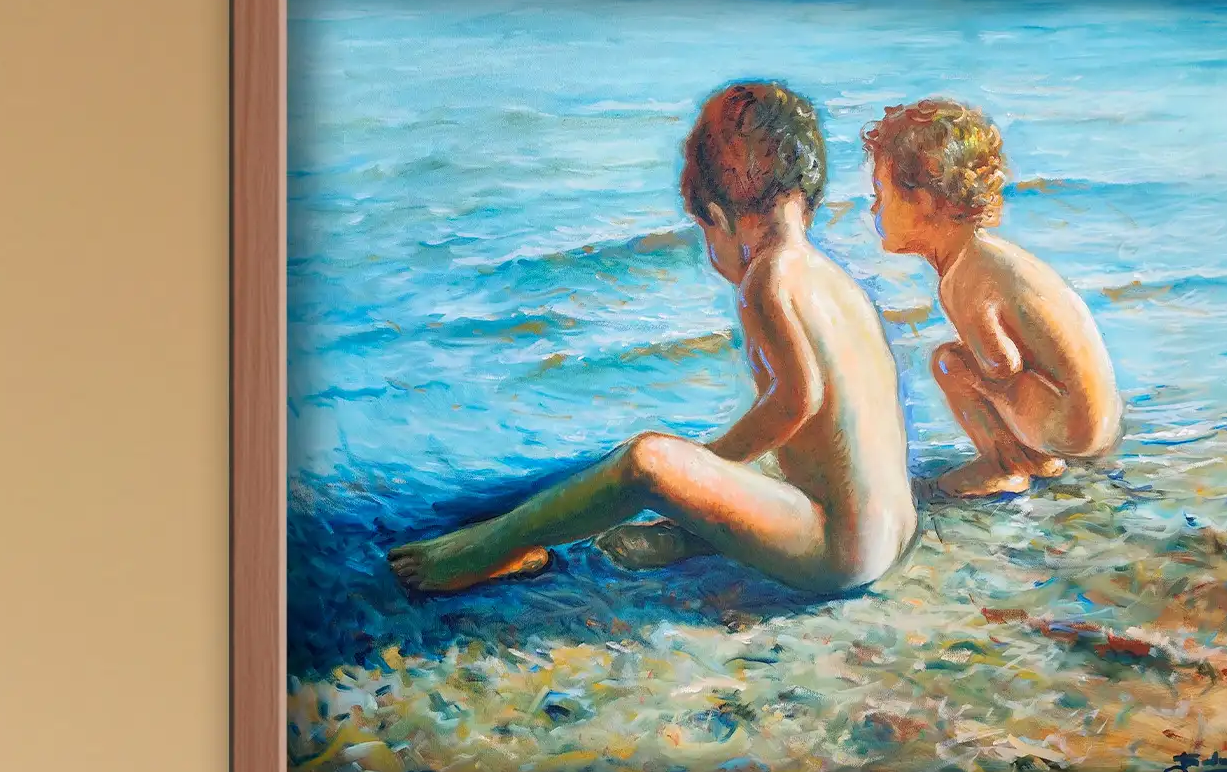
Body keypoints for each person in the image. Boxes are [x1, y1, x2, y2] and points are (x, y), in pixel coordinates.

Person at [388, 81, 915, 601]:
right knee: (762, 461)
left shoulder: (768, 277)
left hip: (838, 552)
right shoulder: (835, 283)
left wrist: (709, 463)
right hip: (891, 531)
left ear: (718, 216)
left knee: (646, 461)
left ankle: (491, 546)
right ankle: (691, 537)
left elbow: (797, 400)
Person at [863, 96, 1124, 497]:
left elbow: (1002, 363)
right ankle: (1034, 459)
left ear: (925, 203)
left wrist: (982, 366)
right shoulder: (989, 257)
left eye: (881, 194)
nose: (874, 208)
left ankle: (1004, 466)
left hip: (1070, 425)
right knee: (964, 363)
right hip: (1091, 420)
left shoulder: (963, 277)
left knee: (950, 363)